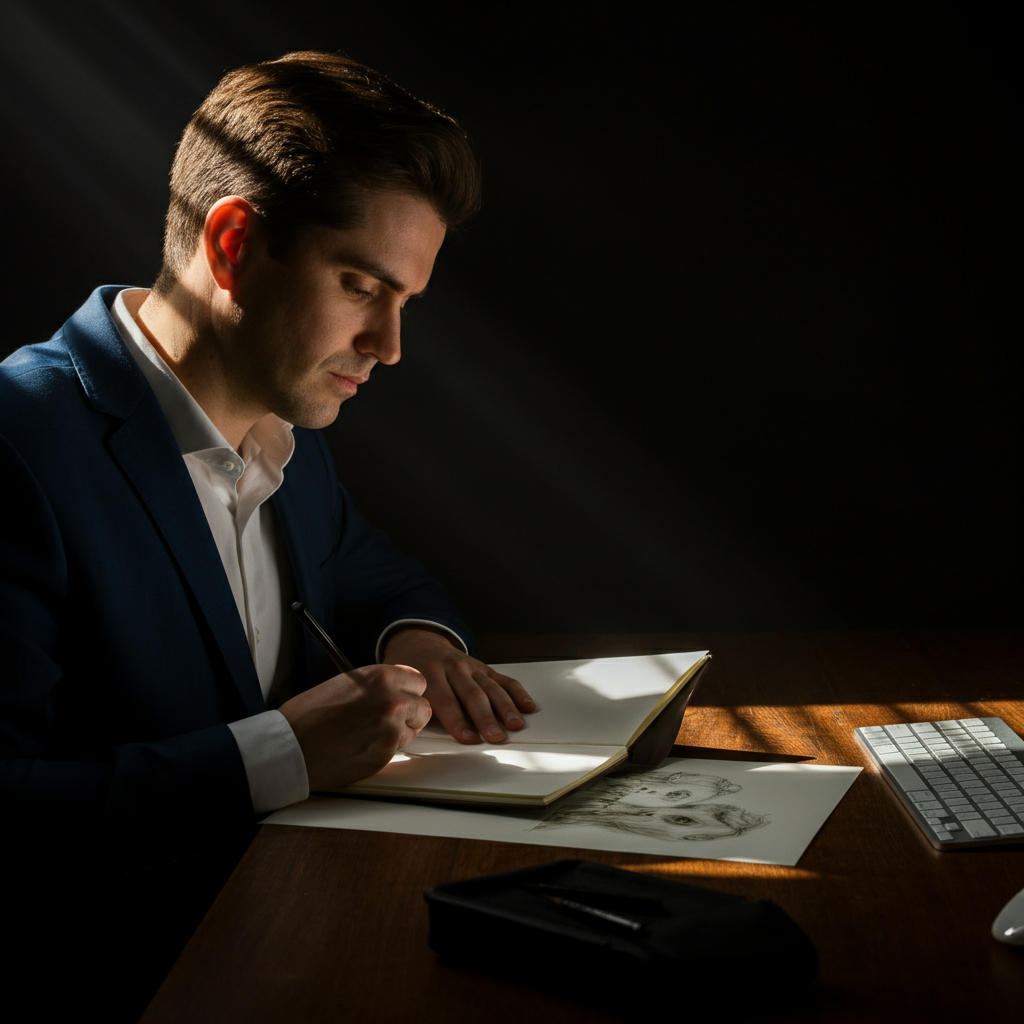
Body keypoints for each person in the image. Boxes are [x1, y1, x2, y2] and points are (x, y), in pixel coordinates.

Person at [0, 50, 533, 1020]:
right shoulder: (15, 447)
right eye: (361, 286)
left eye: (405, 302)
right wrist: (277, 754)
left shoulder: (287, 431)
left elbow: (377, 574)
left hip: (286, 951)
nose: (389, 346)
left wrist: (420, 640)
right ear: (235, 242)